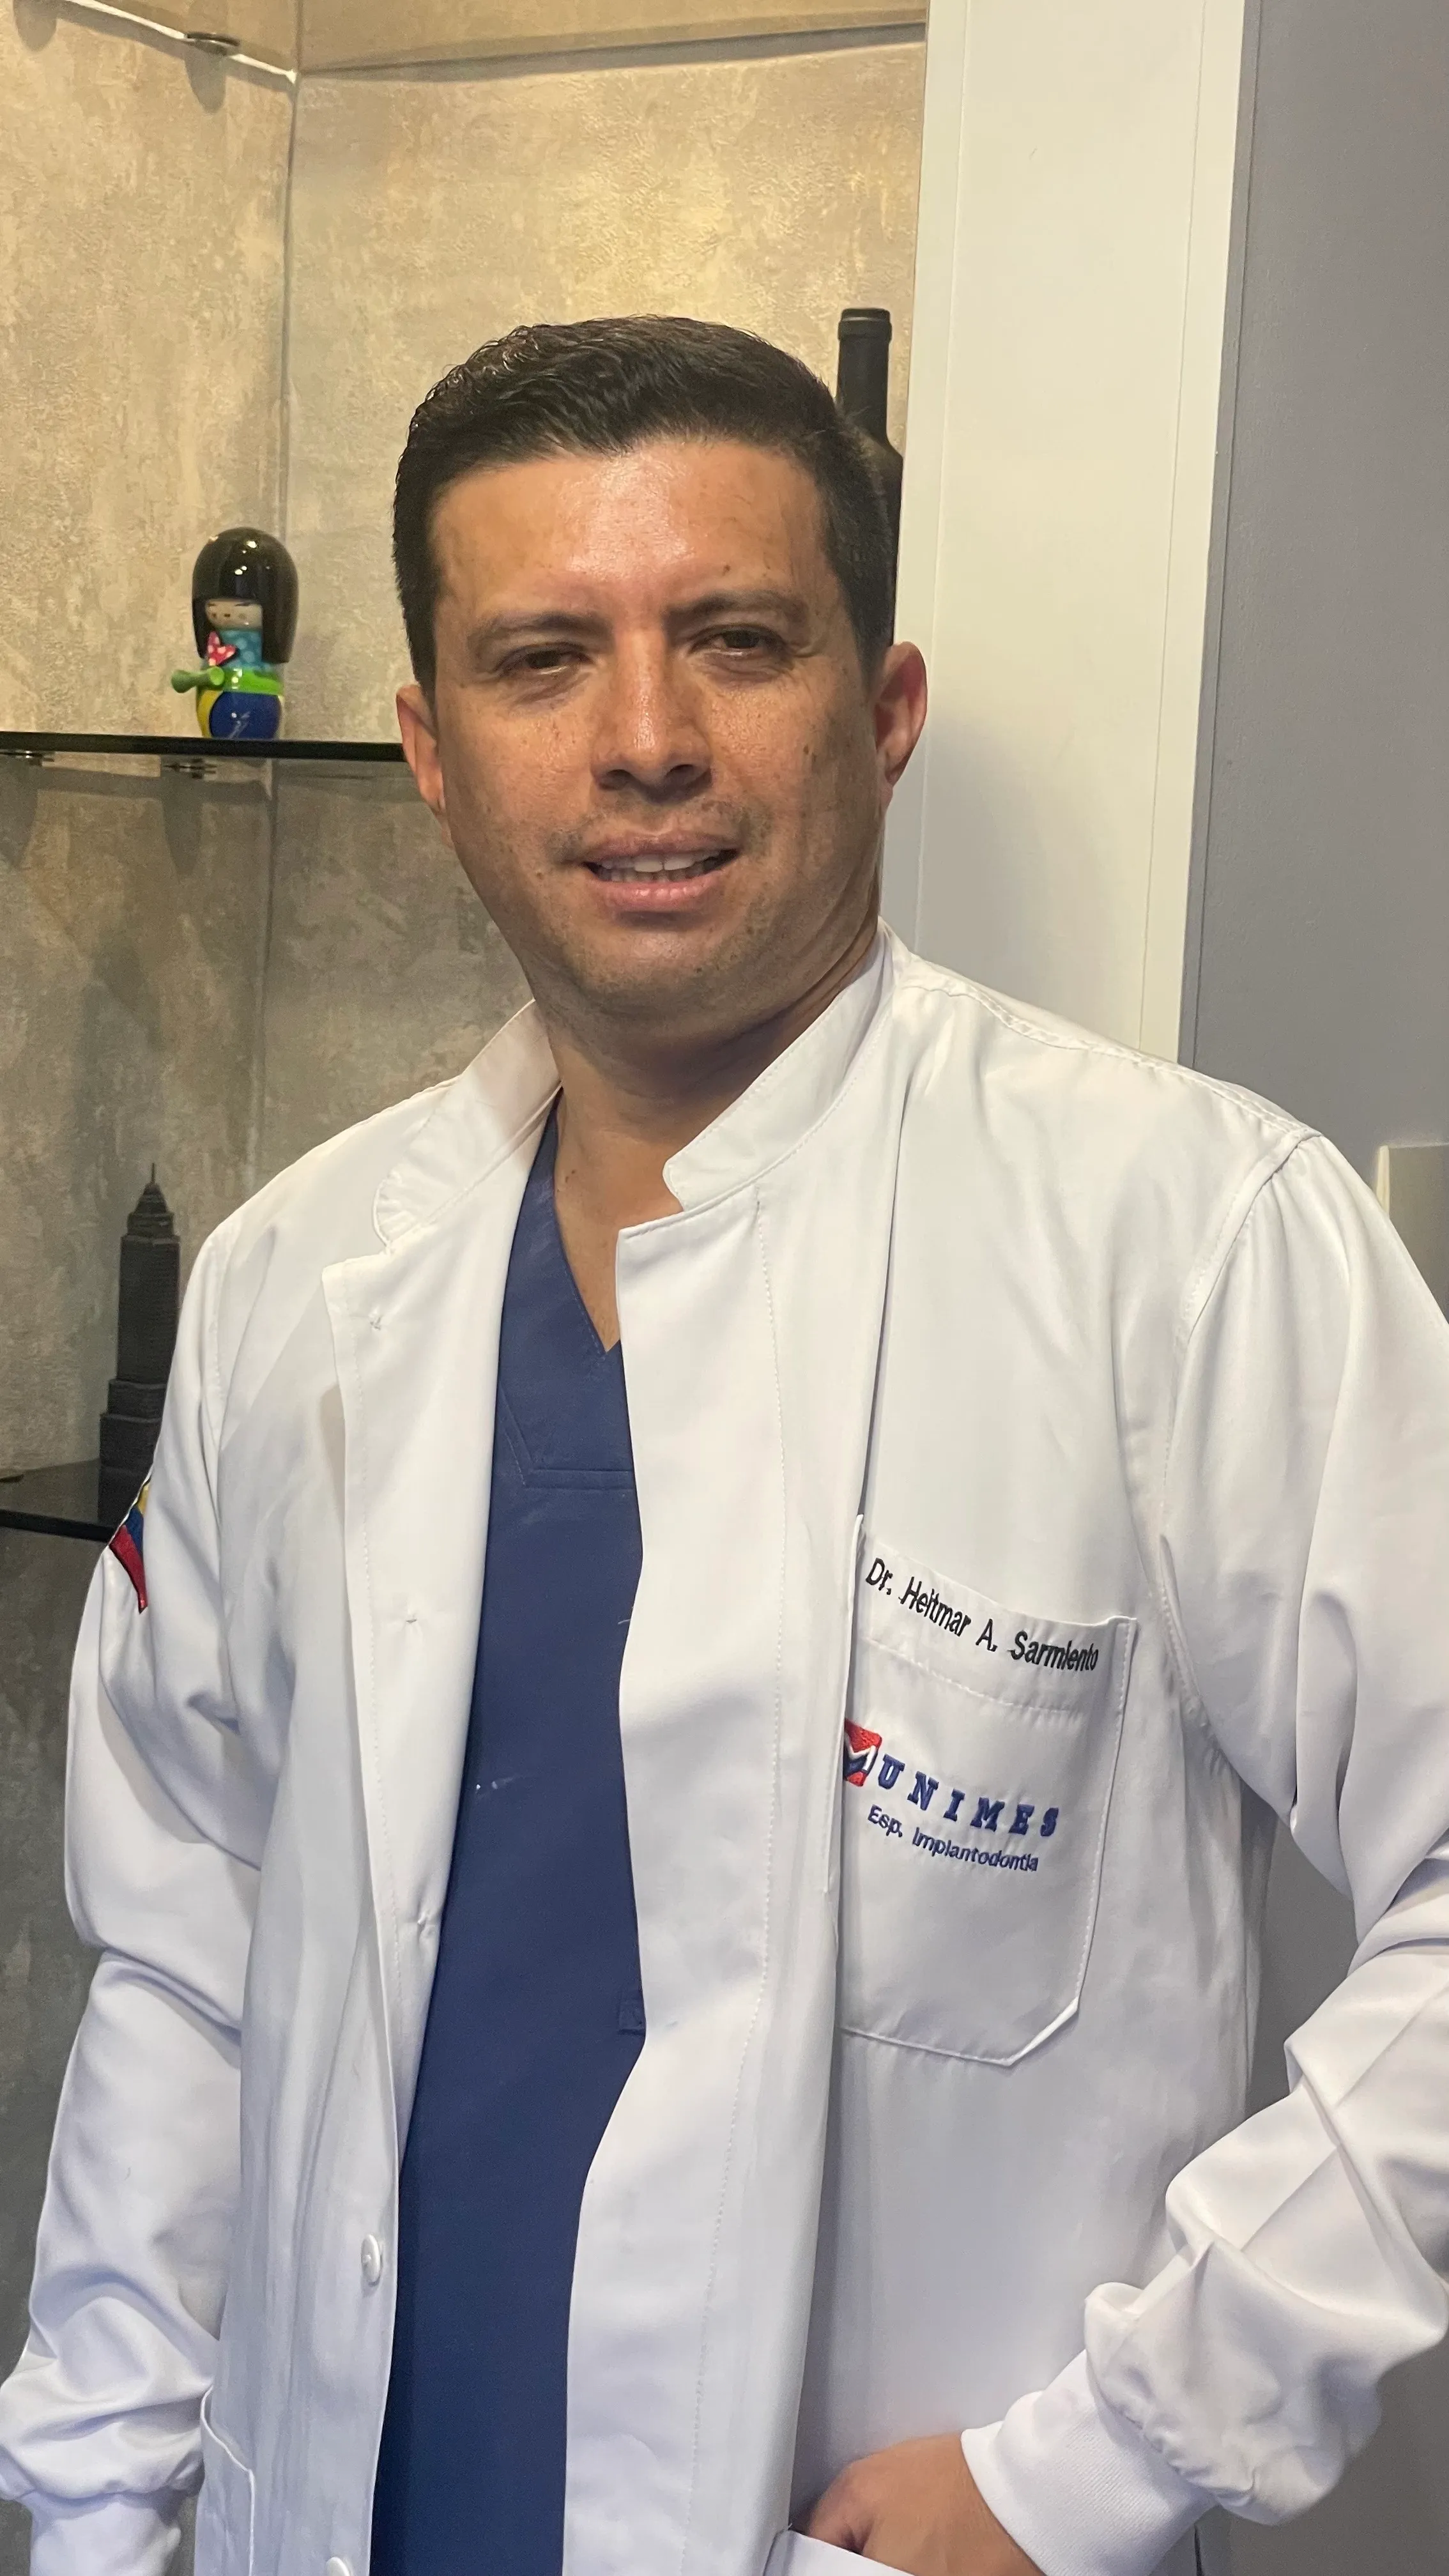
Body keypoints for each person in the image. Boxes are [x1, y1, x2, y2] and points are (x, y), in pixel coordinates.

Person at [3, 316, 1449, 2576]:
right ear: (430, 752)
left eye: (738, 641)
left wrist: (1100, 2459)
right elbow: (184, 1961)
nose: (645, 740)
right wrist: (97, 2514)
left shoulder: (1187, 1240)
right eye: (541, 659)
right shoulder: (299, 1282)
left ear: (884, 710)